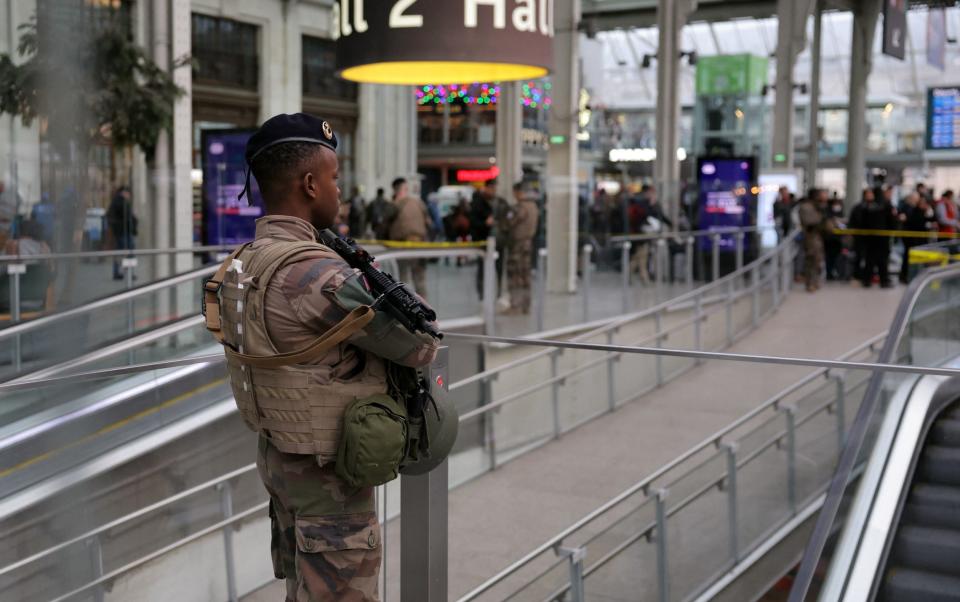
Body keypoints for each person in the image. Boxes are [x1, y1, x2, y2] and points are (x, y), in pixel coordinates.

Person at [208, 113, 437, 602]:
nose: (340, 191)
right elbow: (419, 346)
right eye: (335, 179)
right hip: (328, 475)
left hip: (285, 460)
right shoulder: (314, 272)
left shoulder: (247, 260)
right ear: (310, 184)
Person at [388, 177, 432, 294]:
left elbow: (384, 225)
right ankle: (424, 307)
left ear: (394, 190)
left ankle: (406, 307)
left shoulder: (393, 205)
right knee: (420, 279)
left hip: (401, 246)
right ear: (406, 188)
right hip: (419, 244)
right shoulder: (418, 202)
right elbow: (429, 223)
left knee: (403, 278)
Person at [503, 182, 540, 314]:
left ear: (519, 192)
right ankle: (526, 305)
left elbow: (508, 223)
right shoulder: (534, 206)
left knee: (514, 274)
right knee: (525, 274)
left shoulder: (519, 208)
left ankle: (515, 306)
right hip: (528, 243)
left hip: (517, 244)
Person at [899, 193, 937, 283]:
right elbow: (916, 223)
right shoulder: (914, 211)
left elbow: (932, 220)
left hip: (920, 240)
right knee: (908, 258)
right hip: (912, 240)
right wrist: (928, 225)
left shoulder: (925, 212)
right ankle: (905, 276)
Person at [470, 179, 498, 295]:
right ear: (486, 188)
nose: (493, 191)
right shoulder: (477, 203)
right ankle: (482, 295)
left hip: (496, 242)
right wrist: (485, 223)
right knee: (482, 269)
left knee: (496, 269)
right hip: (482, 241)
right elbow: (473, 223)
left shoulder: (497, 202)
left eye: (495, 188)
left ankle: (494, 294)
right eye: (491, 188)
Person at [797, 188, 826, 292]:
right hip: (810, 237)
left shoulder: (817, 207)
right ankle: (809, 283)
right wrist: (820, 220)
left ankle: (815, 281)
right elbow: (810, 223)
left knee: (818, 261)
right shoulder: (806, 207)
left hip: (817, 237)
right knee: (811, 260)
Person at [106, 185, 137, 280]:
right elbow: (127, 217)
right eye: (129, 194)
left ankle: (119, 272)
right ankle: (127, 272)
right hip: (123, 232)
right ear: (124, 193)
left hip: (121, 232)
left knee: (121, 252)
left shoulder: (118, 201)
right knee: (129, 252)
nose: (129, 196)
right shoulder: (120, 202)